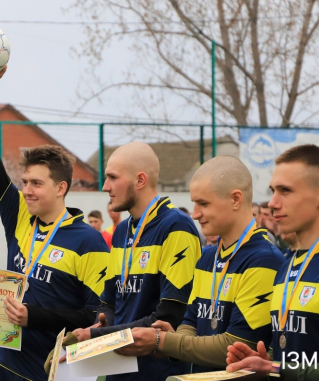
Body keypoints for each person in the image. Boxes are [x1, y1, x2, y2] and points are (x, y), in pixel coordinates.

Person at [0, 67, 110, 381]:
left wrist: (34, 317)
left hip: (54, 372)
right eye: (24, 182)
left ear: (61, 188)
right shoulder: (19, 214)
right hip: (6, 363)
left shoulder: (89, 241)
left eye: (36, 183)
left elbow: (94, 317)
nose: (27, 190)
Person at [114, 156, 284, 373]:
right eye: (194, 203)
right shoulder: (207, 257)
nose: (195, 214)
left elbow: (236, 345)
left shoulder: (263, 260)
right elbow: (189, 322)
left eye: (203, 203)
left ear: (235, 199)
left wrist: (165, 342)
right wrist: (175, 341)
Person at [226, 144, 319, 380]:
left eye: (285, 190)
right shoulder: (288, 264)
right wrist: (267, 361)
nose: (272, 203)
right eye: (273, 190)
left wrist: (277, 369)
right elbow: (298, 352)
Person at [70, 142, 202, 381]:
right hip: (118, 370)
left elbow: (168, 317)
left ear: (140, 180)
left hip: (158, 373)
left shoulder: (176, 226)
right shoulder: (121, 231)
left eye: (112, 177)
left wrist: (103, 336)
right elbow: (110, 303)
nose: (105, 186)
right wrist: (101, 325)